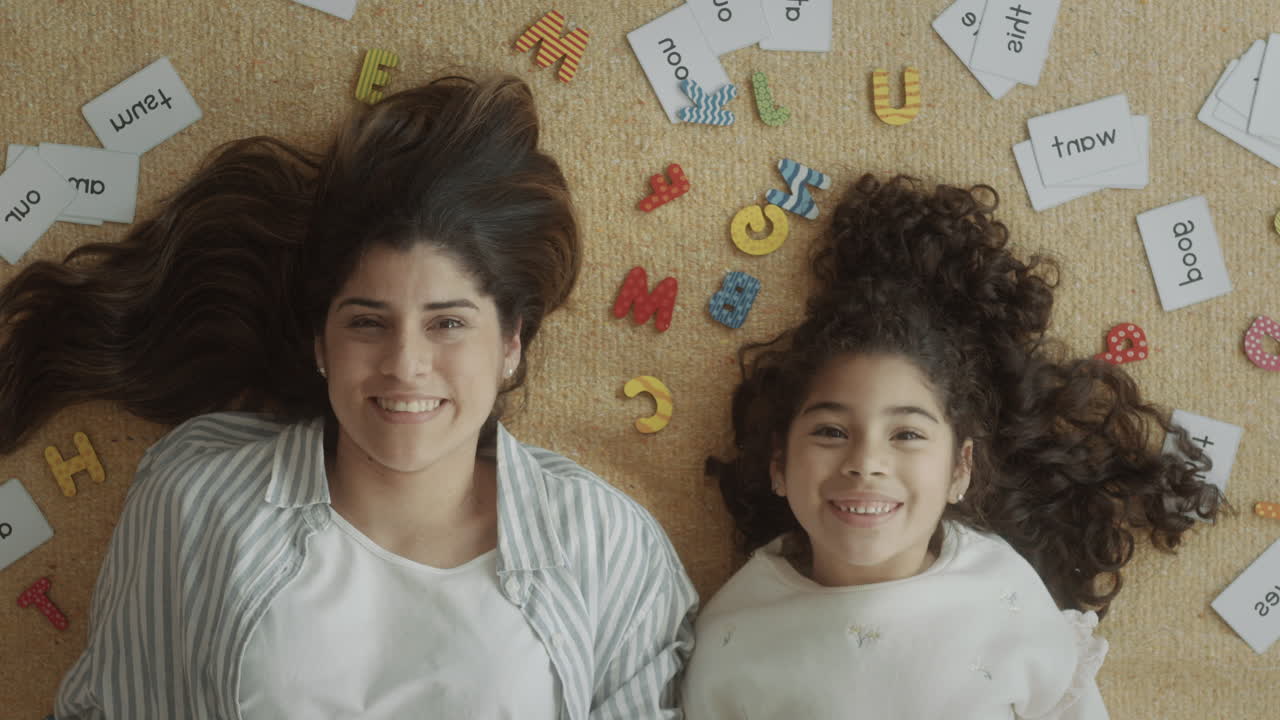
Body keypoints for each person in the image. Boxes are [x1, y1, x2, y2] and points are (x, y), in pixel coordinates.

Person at [0, 73, 696, 719]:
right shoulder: (197, 496)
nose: (406, 365)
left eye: (448, 323)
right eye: (368, 322)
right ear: (320, 342)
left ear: (512, 342)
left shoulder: (608, 544)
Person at [682, 175, 1222, 719]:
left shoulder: (1004, 593)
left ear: (960, 468)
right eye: (831, 431)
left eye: (908, 435)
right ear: (779, 464)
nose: (866, 463)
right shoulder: (733, 629)